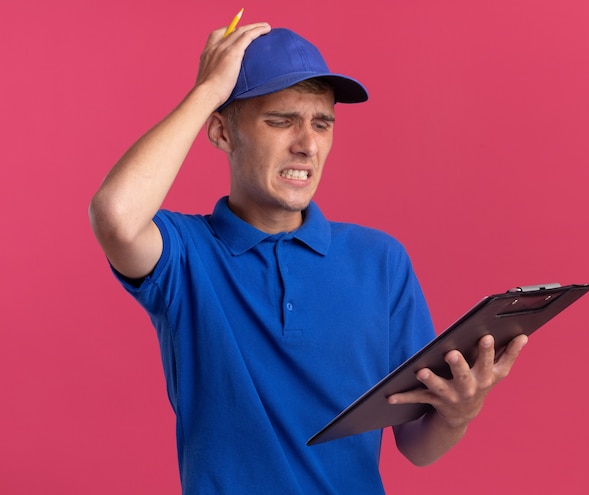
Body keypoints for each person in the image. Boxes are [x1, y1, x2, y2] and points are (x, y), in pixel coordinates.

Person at [89, 21, 527, 494]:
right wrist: (207, 91)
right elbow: (115, 214)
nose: (308, 143)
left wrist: (459, 412)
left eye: (322, 123)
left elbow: (418, 446)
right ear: (220, 131)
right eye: (281, 120)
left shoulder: (381, 261)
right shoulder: (185, 254)